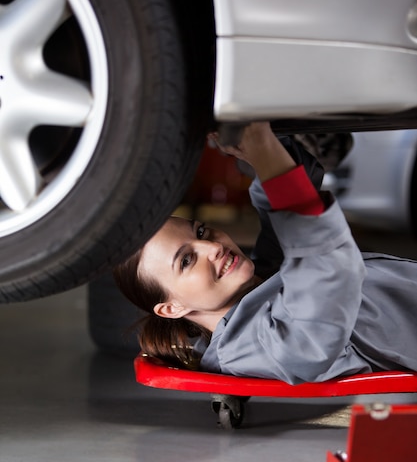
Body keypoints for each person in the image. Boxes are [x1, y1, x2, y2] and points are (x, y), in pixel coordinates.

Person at [113, 123, 417, 384]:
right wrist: (264, 150)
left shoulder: (257, 289)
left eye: (201, 232)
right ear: (172, 308)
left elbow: (281, 223)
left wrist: (268, 152)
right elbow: (323, 272)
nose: (213, 247)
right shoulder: (248, 349)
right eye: (187, 260)